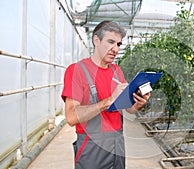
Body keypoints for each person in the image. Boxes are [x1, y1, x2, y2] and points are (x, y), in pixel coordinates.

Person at [61, 21, 151, 169]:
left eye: (118, 44)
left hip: (118, 144)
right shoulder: (77, 71)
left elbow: (129, 109)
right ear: (96, 40)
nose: (115, 49)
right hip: (91, 148)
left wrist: (139, 103)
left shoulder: (116, 71)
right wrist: (108, 101)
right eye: (110, 42)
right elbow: (71, 117)